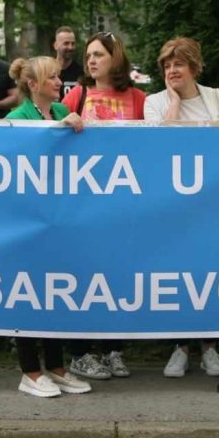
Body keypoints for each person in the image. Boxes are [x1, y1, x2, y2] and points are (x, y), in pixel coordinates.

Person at [143, 37, 219, 378]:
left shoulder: (218, 97)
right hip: (174, 207)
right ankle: (180, 346)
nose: (172, 70)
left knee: (211, 273)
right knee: (178, 275)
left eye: (178, 64)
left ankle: (211, 348)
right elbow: (159, 146)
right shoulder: (153, 103)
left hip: (214, 204)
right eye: (167, 65)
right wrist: (172, 105)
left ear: (194, 67)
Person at [61, 32, 146, 379]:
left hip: (123, 205)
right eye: (88, 55)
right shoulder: (76, 95)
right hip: (83, 204)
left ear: (116, 58)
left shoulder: (139, 98)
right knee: (83, 276)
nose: (91, 60)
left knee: (117, 278)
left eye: (99, 54)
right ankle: (80, 352)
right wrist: (62, 121)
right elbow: (45, 131)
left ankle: (113, 349)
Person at [5, 56, 89, 397]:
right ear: (33, 85)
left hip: (58, 221)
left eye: (59, 77)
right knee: (26, 293)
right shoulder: (15, 119)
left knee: (54, 293)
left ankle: (55, 367)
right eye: (52, 78)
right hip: (26, 222)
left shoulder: (59, 114)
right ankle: (30, 371)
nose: (59, 83)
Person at [53, 27, 83, 98]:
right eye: (66, 43)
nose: (70, 47)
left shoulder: (82, 73)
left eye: (73, 44)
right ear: (56, 45)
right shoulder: (46, 71)